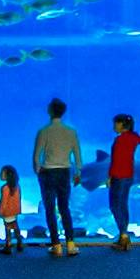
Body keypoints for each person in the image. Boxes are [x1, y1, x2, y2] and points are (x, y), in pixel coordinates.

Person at [32, 97, 82, 257]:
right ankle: (71, 244)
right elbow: (77, 156)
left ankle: (56, 245)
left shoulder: (43, 131)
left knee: (50, 209)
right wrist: (78, 173)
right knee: (64, 207)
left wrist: (38, 170)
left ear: (50, 111)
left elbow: (36, 155)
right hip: (65, 172)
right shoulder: (71, 132)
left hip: (48, 172)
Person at [106, 113, 140, 251]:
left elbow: (115, 160)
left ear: (122, 125)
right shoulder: (134, 137)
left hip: (118, 176)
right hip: (129, 176)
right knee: (123, 204)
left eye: (115, 123)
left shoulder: (119, 140)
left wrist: (110, 177)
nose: (114, 126)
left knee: (114, 205)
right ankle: (124, 234)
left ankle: (123, 234)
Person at [0, 165, 24, 255]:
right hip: (15, 212)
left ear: (8, 175)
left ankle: (8, 246)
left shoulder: (5, 188)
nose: (0, 174)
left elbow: (3, 202)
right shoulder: (17, 186)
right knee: (16, 227)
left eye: (2, 173)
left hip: (7, 213)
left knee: (8, 229)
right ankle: (20, 244)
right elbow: (18, 200)